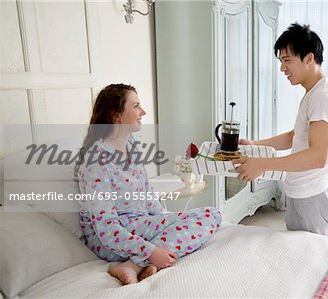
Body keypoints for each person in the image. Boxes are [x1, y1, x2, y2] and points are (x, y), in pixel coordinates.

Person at [76, 84, 221, 285]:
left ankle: (133, 265)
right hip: (112, 238)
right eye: (135, 106)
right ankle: (135, 263)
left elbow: (147, 194)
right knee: (209, 215)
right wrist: (151, 251)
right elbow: (106, 229)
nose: (142, 112)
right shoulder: (96, 162)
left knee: (211, 215)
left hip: (139, 225)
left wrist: (166, 219)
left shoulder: (131, 145)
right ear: (115, 115)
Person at [234, 23, 328, 236]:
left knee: (308, 258)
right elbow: (296, 136)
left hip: (311, 195)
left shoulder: (323, 97)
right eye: (280, 61)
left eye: (287, 60)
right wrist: (256, 145)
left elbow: (318, 156)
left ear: (309, 58)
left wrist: (263, 164)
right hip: (307, 191)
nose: (282, 68)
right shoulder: (315, 92)